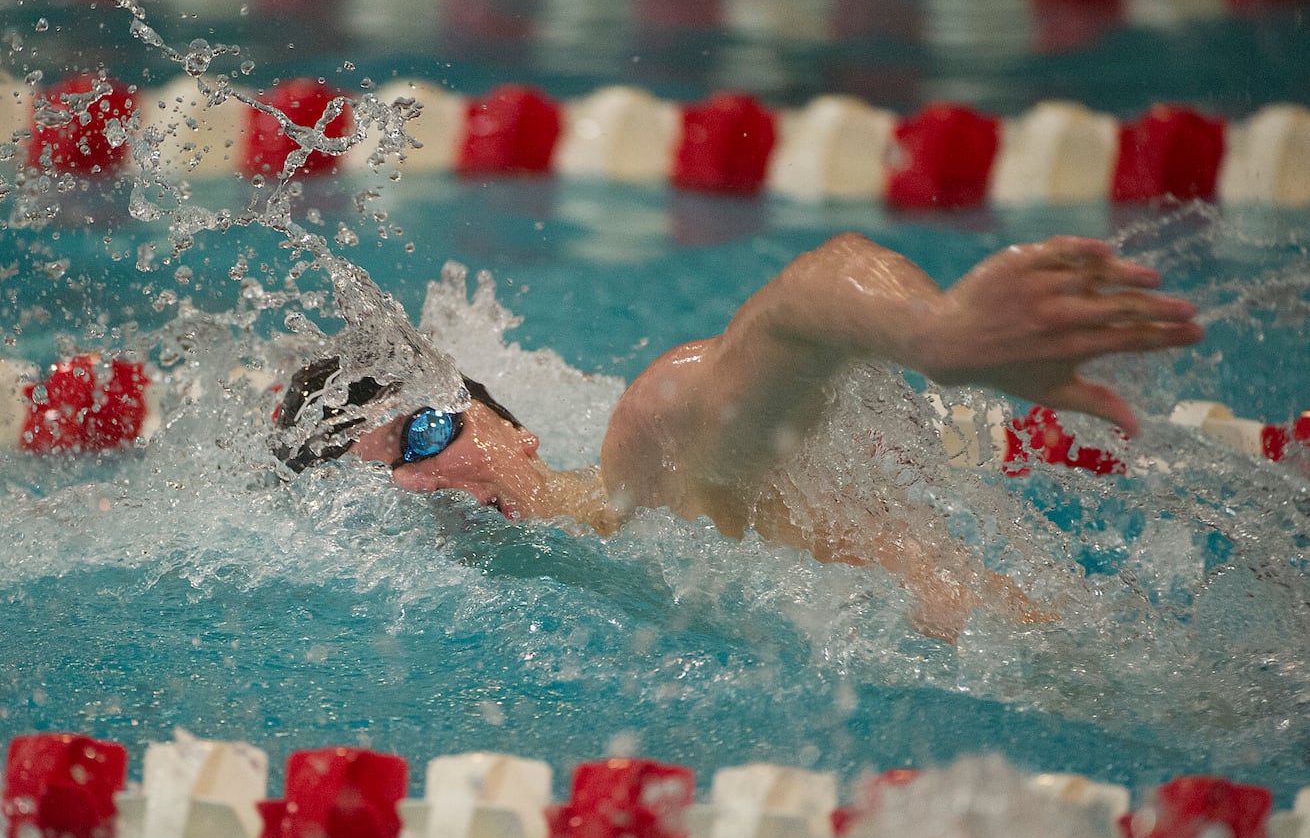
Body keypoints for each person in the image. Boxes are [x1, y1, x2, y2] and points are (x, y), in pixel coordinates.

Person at [276, 233, 1203, 641]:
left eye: (425, 434)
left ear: (512, 431)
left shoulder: (655, 460)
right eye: (377, 487)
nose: (415, 487)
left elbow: (811, 294)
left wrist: (940, 339)